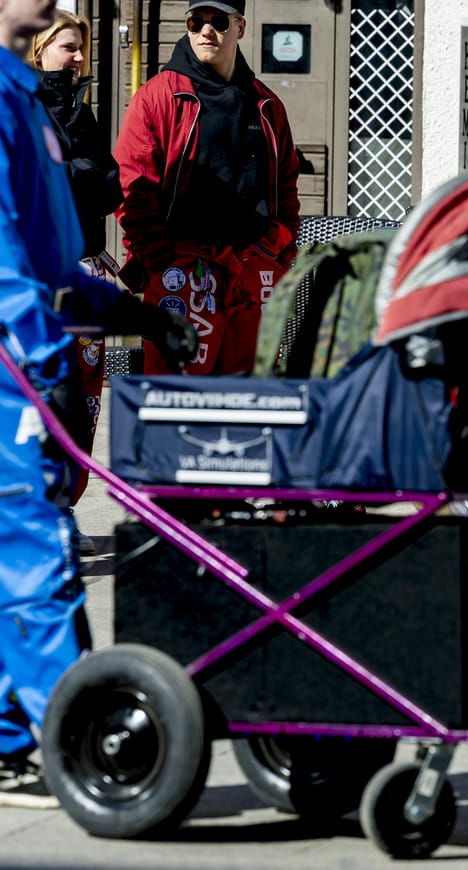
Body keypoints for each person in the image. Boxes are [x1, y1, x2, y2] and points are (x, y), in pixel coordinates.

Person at [0, 0, 196, 807]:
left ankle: (14, 742)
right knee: (35, 547)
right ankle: (71, 737)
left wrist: (136, 314)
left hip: (27, 351)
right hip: (14, 365)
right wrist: (39, 364)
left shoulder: (23, 98)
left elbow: (51, 260)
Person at [114, 0, 300, 375]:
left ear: (241, 28)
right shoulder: (158, 97)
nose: (205, 31)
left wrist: (278, 253)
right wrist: (157, 258)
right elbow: (133, 185)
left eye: (217, 21)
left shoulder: (266, 104)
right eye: (195, 21)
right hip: (181, 265)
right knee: (175, 395)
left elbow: (285, 186)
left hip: (251, 267)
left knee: (250, 393)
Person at [28, 10, 123, 554]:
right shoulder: (21, 106)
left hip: (86, 271)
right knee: (38, 402)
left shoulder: (80, 112)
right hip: (38, 280)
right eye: (70, 47)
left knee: (82, 402)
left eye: (83, 48)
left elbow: (110, 189)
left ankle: (64, 512)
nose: (80, 57)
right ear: (41, 50)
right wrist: (82, 174)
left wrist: (83, 174)